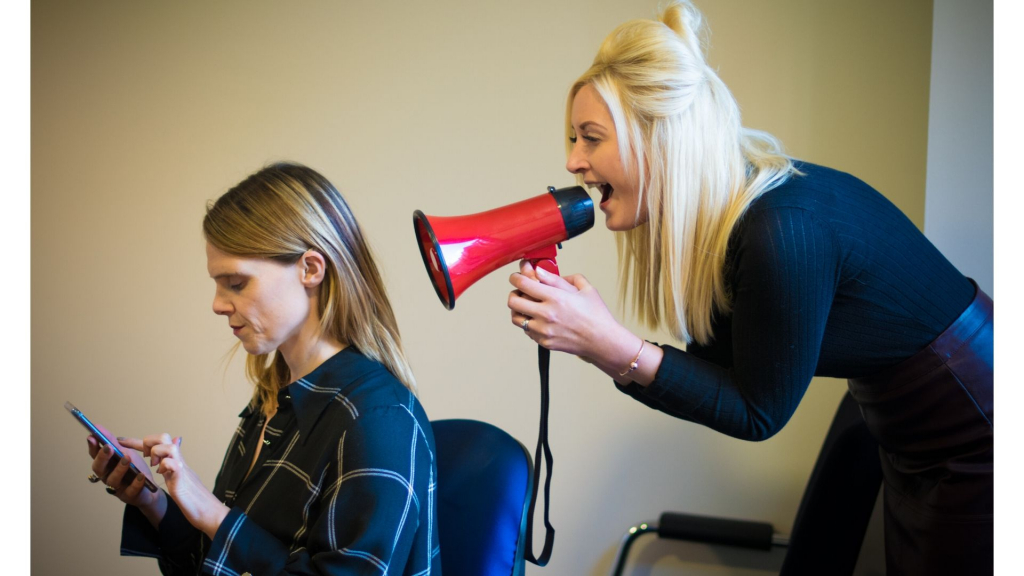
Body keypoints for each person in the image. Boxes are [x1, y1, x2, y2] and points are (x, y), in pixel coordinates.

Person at [506, 2, 992, 574]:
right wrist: (603, 344)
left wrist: (606, 344)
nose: (573, 161)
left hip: (976, 436)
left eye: (591, 139)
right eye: (572, 139)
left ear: (662, 137)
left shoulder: (780, 229)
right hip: (907, 432)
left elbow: (756, 412)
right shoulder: (733, 224)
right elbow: (722, 375)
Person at [85, 162, 440, 575]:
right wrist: (154, 502)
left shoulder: (379, 420)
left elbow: (234, 540)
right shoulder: (273, 399)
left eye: (236, 283)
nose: (218, 304)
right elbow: (219, 563)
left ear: (310, 269)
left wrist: (213, 513)